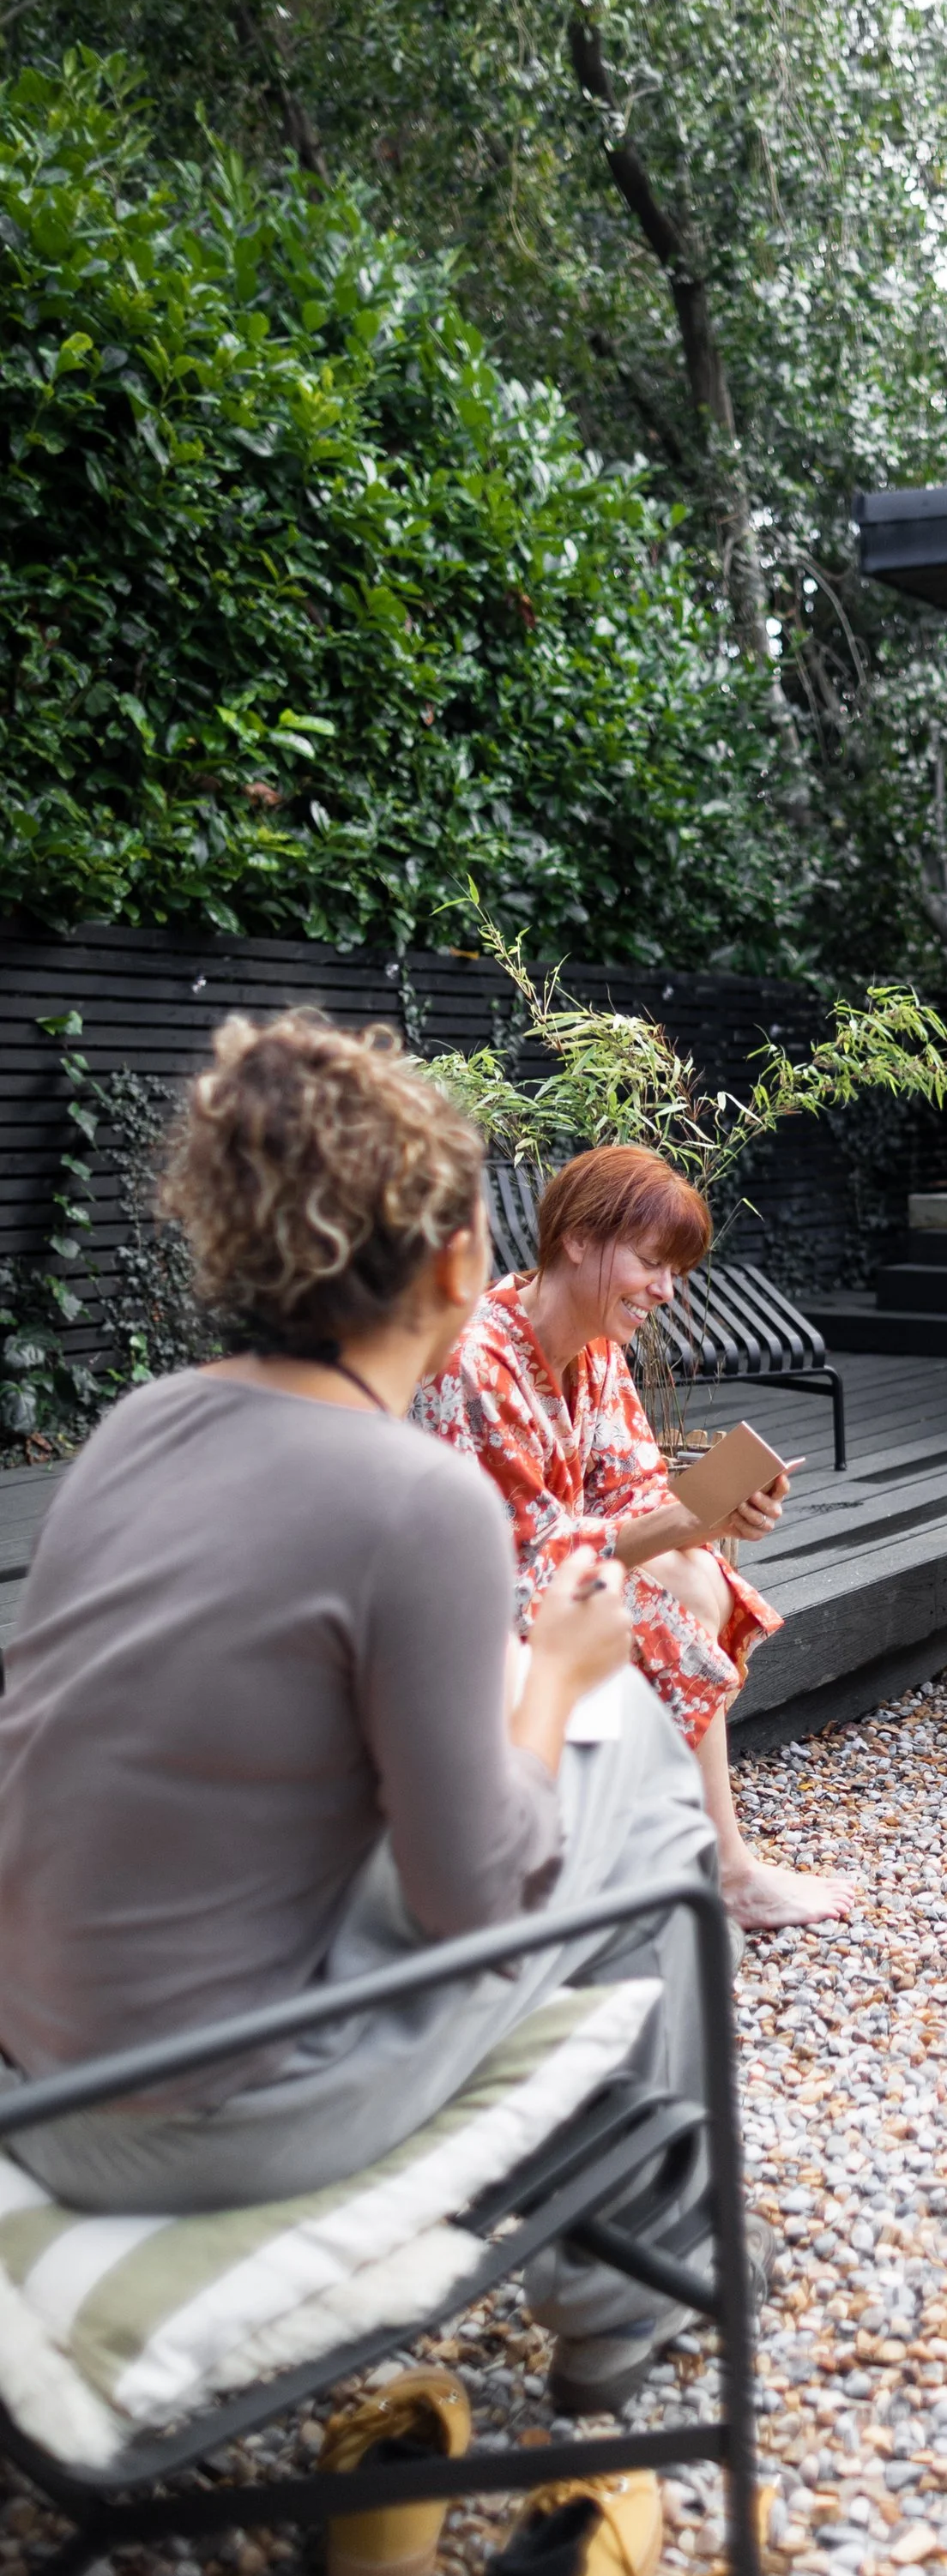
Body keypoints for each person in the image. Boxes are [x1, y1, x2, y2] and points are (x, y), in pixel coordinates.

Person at [0, 1010, 730, 2419]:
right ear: (461, 1262)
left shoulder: (138, 1427)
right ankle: (625, 2308)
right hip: (201, 2126)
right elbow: (479, 1899)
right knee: (634, 1765)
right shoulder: (416, 1500)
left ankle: (623, 2248)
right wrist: (566, 1683)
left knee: (546, 1756)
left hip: (32, 2066)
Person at [413, 1145, 855, 1931]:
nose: (666, 1289)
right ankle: (723, 1868)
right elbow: (516, 1564)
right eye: (652, 1263)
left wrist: (716, 1512)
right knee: (676, 1585)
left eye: (673, 1270)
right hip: (455, 1606)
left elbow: (634, 1490)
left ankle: (675, 1844)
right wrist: (681, 1524)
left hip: (546, 1581)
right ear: (579, 1239)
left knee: (697, 1575)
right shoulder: (476, 1362)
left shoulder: (596, 1353)